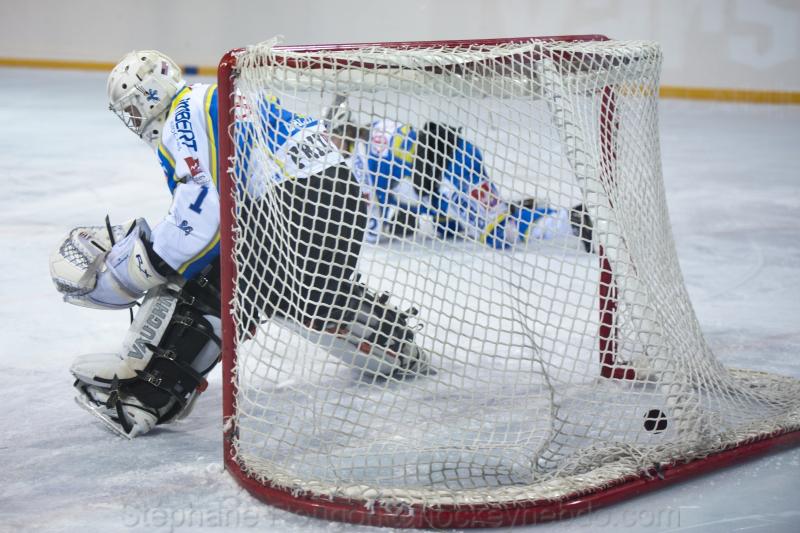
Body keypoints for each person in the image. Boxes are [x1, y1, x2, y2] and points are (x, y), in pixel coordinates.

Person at [48, 51, 428, 439]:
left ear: (151, 95)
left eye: (132, 108)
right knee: (297, 294)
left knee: (214, 286)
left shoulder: (185, 113)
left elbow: (203, 216)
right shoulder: (210, 99)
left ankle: (147, 399)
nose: (133, 120)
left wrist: (138, 268)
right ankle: (392, 341)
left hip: (298, 197)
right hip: (334, 194)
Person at [325, 97, 594, 252]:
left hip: (453, 174)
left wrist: (359, 238)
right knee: (447, 227)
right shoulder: (377, 126)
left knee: (500, 235)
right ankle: (501, 209)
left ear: (342, 131)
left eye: (331, 139)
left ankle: (573, 220)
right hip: (459, 154)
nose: (331, 146)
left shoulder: (362, 159)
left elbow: (372, 223)